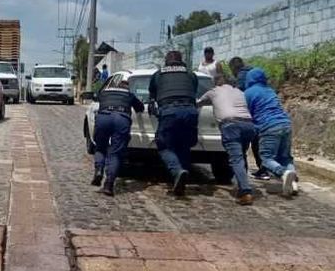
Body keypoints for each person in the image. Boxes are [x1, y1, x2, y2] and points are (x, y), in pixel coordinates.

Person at [198, 74, 257, 205]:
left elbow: (198, 103)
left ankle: (245, 191)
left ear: (215, 84)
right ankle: (240, 184)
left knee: (236, 159)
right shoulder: (240, 92)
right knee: (241, 156)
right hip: (248, 125)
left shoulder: (213, 92)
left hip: (230, 126)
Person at [148, 50, 199, 196]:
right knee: (183, 146)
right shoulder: (190, 74)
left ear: (166, 61)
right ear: (181, 60)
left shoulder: (158, 74)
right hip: (190, 112)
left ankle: (177, 171)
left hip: (169, 112)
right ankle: (181, 181)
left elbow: (152, 94)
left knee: (164, 146)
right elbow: (193, 91)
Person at [244, 68, 299, 197]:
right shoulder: (270, 91)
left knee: (266, 158)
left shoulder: (248, 93)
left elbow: (247, 114)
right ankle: (293, 183)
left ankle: (283, 173)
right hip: (286, 124)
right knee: (285, 157)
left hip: (268, 126)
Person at [91, 79, 145, 196]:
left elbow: (96, 98)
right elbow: (140, 108)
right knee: (116, 153)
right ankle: (109, 185)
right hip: (121, 119)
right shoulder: (129, 95)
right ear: (127, 88)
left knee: (100, 148)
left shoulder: (105, 92)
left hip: (104, 117)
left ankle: (99, 170)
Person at [229, 56, 269, 181]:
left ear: (234, 68)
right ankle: (263, 169)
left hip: (247, 113)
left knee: (242, 144)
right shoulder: (255, 72)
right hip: (261, 111)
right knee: (257, 142)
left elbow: (239, 95)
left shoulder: (241, 76)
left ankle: (242, 172)